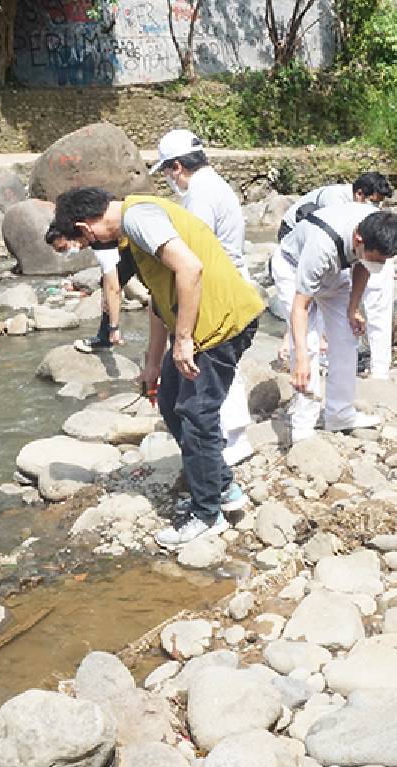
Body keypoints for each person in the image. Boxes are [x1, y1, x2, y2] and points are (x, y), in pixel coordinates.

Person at [47, 187, 264, 549]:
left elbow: (189, 268)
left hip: (219, 324)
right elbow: (160, 299)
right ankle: (221, 485)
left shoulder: (138, 218)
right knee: (169, 401)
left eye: (85, 242)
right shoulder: (131, 233)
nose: (90, 247)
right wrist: (152, 363)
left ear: (85, 227)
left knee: (197, 414)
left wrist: (182, 341)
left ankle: (207, 514)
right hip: (197, 325)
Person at [150, 128, 255, 465]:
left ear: (177, 166)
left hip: (218, 286)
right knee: (224, 362)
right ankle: (231, 435)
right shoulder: (214, 185)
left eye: (166, 171)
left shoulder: (199, 194)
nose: (168, 178)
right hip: (229, 280)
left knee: (218, 363)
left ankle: (233, 438)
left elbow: (192, 252)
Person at [272, 203, 397, 441]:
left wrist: (353, 308)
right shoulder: (320, 247)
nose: (380, 265)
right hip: (294, 267)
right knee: (309, 343)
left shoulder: (372, 229)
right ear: (358, 240)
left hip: (335, 270)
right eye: (377, 258)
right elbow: (300, 307)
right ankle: (303, 424)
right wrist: (301, 358)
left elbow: (364, 266)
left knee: (347, 335)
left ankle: (339, 413)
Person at [276, 172, 397, 377]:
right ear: (359, 194)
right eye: (372, 202)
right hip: (297, 244)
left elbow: (361, 264)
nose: (374, 209)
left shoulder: (368, 224)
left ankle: (376, 373)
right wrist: (300, 348)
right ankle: (308, 370)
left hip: (337, 250)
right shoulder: (332, 206)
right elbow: (302, 303)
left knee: (344, 332)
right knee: (309, 331)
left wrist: (353, 308)